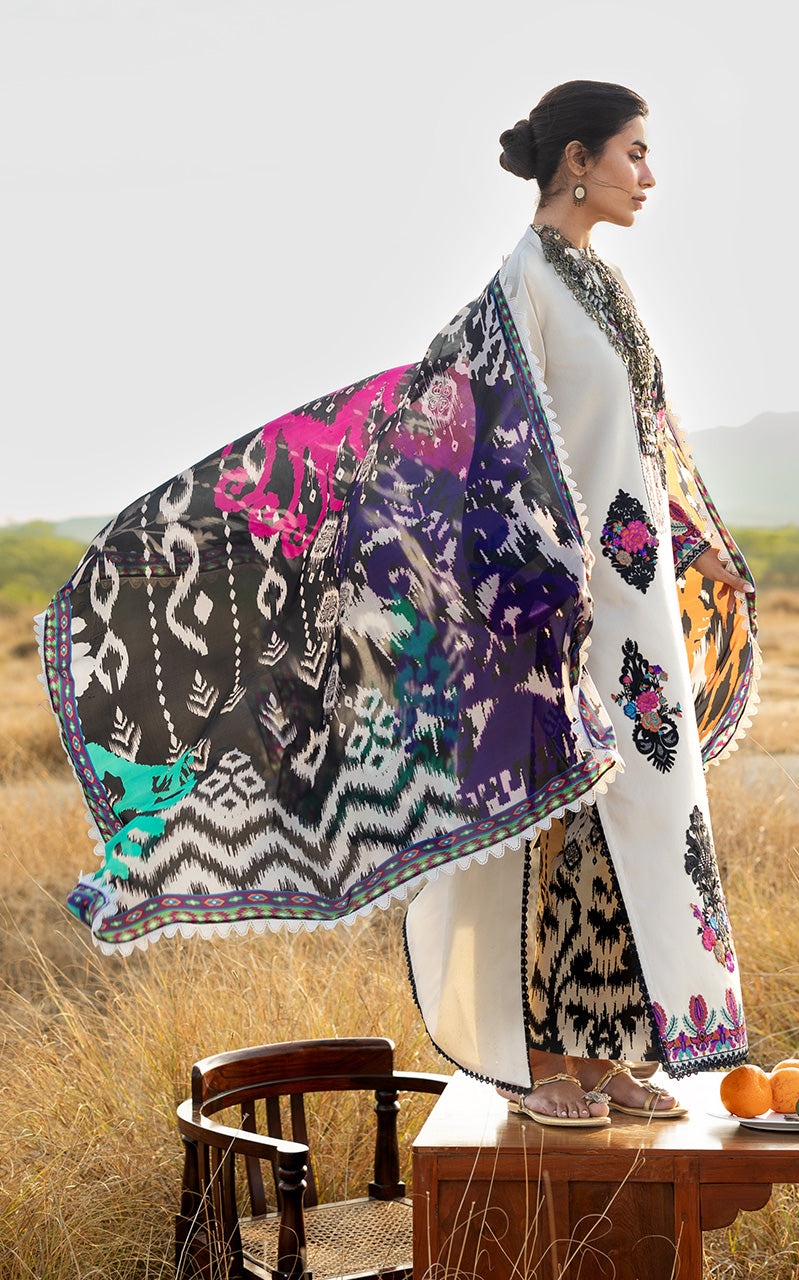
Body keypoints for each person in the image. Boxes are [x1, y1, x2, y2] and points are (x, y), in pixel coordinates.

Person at [40, 80, 759, 1128]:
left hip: (630, 610)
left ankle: (607, 1050)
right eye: (634, 152)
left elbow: (642, 445)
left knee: (627, 822)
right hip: (541, 615)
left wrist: (701, 546)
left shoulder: (605, 286)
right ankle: (535, 1060)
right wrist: (544, 574)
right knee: (540, 830)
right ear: (577, 161)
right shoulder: (521, 288)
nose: (648, 175)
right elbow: (460, 437)